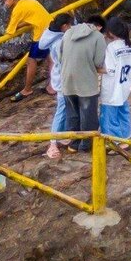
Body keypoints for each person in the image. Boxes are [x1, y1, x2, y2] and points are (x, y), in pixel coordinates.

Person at [58, 12, 106, 152]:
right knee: (88, 114)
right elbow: (98, 62)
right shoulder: (98, 36)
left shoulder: (68, 33)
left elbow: (60, 57)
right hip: (86, 84)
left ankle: (73, 144)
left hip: (67, 81)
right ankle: (86, 145)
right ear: (99, 27)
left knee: (72, 114)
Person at [3, 0, 51, 102]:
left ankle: (27, 89)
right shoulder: (29, 1)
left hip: (41, 35)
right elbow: (31, 19)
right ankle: (52, 85)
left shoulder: (17, 10)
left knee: (31, 61)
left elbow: (9, 31)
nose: (5, 3)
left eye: (5, 0)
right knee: (52, 58)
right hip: (50, 29)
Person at [40, 13, 73, 160]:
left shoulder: (51, 36)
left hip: (59, 77)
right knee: (61, 109)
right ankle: (52, 143)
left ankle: (63, 135)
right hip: (63, 80)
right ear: (65, 26)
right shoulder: (60, 42)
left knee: (65, 108)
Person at [98, 23, 131, 140]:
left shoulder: (112, 47)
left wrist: (93, 68)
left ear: (111, 32)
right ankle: (126, 136)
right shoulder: (130, 47)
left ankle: (114, 141)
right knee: (123, 111)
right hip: (124, 85)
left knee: (108, 116)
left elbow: (109, 69)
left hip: (112, 86)